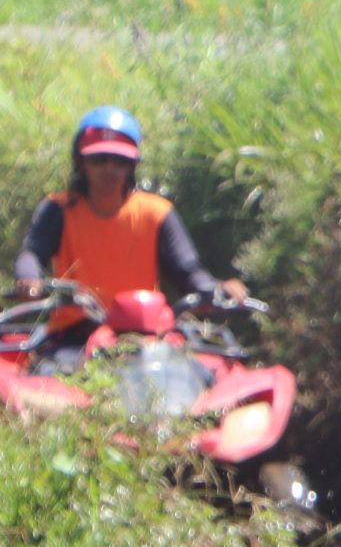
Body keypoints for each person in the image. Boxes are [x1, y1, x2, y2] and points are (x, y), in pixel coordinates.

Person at [13, 106, 249, 372]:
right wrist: (30, 279)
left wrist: (217, 288)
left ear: (132, 165)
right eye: (99, 159)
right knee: (51, 377)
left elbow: (188, 272)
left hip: (145, 336)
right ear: (81, 162)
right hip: (74, 336)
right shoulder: (58, 208)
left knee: (195, 375)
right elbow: (32, 253)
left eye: (120, 160)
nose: (110, 168)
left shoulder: (157, 212)